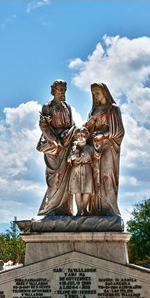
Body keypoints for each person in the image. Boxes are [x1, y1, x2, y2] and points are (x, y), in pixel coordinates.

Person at [85, 82, 125, 216]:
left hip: (108, 146)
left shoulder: (113, 109)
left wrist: (103, 136)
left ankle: (109, 208)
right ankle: (96, 209)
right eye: (93, 93)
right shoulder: (92, 111)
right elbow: (86, 131)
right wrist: (91, 123)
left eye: (97, 92)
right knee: (95, 176)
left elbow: (119, 131)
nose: (95, 96)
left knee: (107, 175)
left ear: (104, 92)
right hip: (94, 147)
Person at [36, 79, 75, 215]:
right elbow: (44, 126)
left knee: (66, 178)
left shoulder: (67, 106)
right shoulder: (48, 106)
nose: (62, 93)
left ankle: (64, 208)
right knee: (55, 178)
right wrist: (54, 140)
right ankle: (50, 208)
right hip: (54, 146)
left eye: (64, 90)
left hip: (66, 144)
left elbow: (72, 125)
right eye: (60, 90)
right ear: (53, 90)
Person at [67, 127, 100, 216]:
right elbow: (68, 159)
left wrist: (97, 149)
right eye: (78, 136)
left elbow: (97, 157)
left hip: (87, 169)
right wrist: (71, 158)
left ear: (86, 136)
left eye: (82, 135)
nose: (80, 137)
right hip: (76, 170)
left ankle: (84, 210)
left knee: (87, 190)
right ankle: (78, 210)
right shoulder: (74, 148)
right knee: (77, 191)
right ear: (76, 137)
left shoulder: (90, 148)